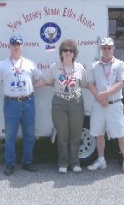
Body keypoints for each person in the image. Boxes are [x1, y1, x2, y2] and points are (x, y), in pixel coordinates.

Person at [0, 35, 43, 176]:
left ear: (22, 47)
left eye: (18, 44)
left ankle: (27, 162)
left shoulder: (30, 63)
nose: (16, 47)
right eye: (13, 45)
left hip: (28, 102)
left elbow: (41, 79)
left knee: (29, 135)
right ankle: (10, 164)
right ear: (9, 47)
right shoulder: (2, 65)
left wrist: (31, 87)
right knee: (10, 136)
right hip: (11, 104)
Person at [86, 37, 124, 176]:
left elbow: (121, 83)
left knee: (120, 134)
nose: (107, 50)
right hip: (98, 105)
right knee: (99, 133)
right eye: (104, 47)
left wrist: (106, 94)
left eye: (109, 47)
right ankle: (101, 160)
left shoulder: (120, 65)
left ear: (113, 48)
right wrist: (99, 97)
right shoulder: (94, 66)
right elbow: (90, 84)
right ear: (101, 49)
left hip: (114, 105)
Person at [35, 39, 87, 173]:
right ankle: (63, 163)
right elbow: (46, 81)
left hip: (76, 102)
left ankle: (75, 163)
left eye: (71, 50)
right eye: (65, 50)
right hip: (59, 103)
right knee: (62, 135)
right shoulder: (54, 67)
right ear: (61, 53)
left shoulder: (80, 67)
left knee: (75, 135)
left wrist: (101, 93)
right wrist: (30, 87)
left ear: (75, 53)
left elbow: (86, 84)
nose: (68, 53)